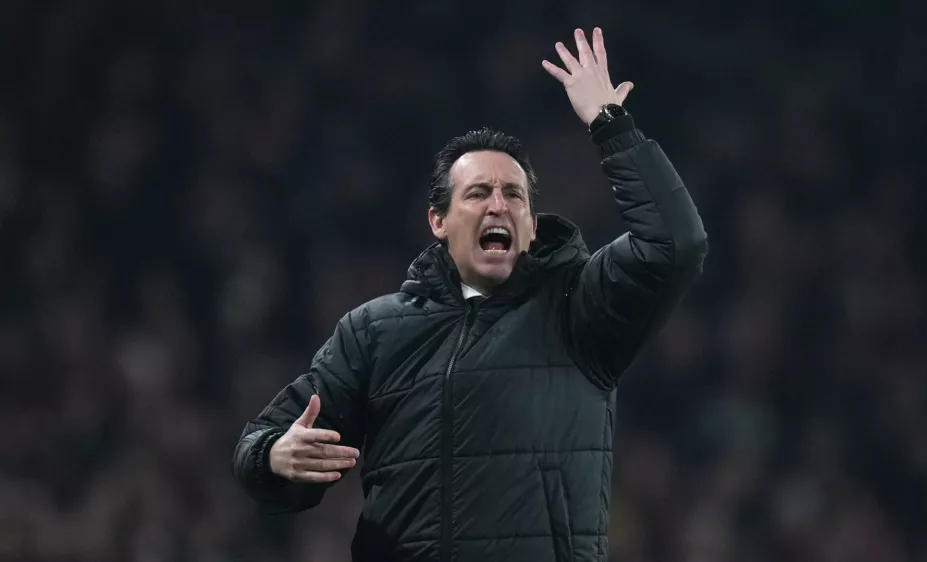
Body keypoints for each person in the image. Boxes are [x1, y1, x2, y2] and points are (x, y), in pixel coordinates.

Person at [233, 27, 708, 562]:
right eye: (478, 193)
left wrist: (610, 124)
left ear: (531, 226)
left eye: (513, 195)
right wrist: (273, 456)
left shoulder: (580, 309)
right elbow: (267, 440)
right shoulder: (375, 332)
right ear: (438, 220)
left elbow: (676, 242)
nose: (498, 205)